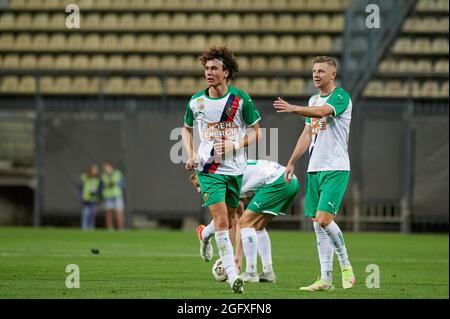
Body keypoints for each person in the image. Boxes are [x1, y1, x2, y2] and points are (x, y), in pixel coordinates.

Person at [181, 46, 261, 294]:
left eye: (214, 68)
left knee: (229, 217)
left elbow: (256, 133)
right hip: (208, 169)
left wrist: (235, 145)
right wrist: (192, 153)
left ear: (226, 72)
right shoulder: (196, 101)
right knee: (224, 222)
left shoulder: (241, 99)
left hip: (235, 170)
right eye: (206, 68)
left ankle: (204, 234)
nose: (209, 72)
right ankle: (233, 277)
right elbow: (185, 128)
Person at [273, 56, 356, 291]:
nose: (316, 74)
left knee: (323, 219)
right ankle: (325, 279)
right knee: (317, 224)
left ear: (332, 75)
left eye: (321, 71)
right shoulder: (312, 99)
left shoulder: (340, 96)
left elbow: (321, 113)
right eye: (314, 71)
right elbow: (307, 134)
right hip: (314, 168)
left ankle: (346, 265)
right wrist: (290, 162)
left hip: (335, 167)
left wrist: (293, 108)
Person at [191, 159, 300, 284]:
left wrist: (235, 259)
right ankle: (268, 272)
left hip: (278, 181)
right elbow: (235, 218)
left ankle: (251, 273)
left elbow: (233, 222)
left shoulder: (223, 178)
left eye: (199, 185)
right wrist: (236, 258)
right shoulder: (229, 170)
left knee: (245, 223)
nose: (199, 190)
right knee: (257, 226)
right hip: (290, 180)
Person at [101, 162, 125, 230]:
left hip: (117, 196)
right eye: (104, 167)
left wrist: (112, 182)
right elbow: (103, 185)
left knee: (119, 213)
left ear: (110, 166)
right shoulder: (103, 175)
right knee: (109, 213)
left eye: (106, 167)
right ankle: (110, 229)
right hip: (108, 196)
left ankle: (121, 228)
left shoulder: (117, 173)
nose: (105, 168)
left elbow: (122, 184)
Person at [79, 164, 101, 230]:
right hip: (86, 199)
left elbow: (99, 189)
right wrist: (81, 196)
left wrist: (98, 196)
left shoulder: (97, 179)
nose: (96, 171)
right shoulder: (84, 177)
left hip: (94, 199)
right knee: (86, 214)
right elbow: (80, 188)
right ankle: (84, 228)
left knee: (93, 215)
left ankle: (91, 228)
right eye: (95, 169)